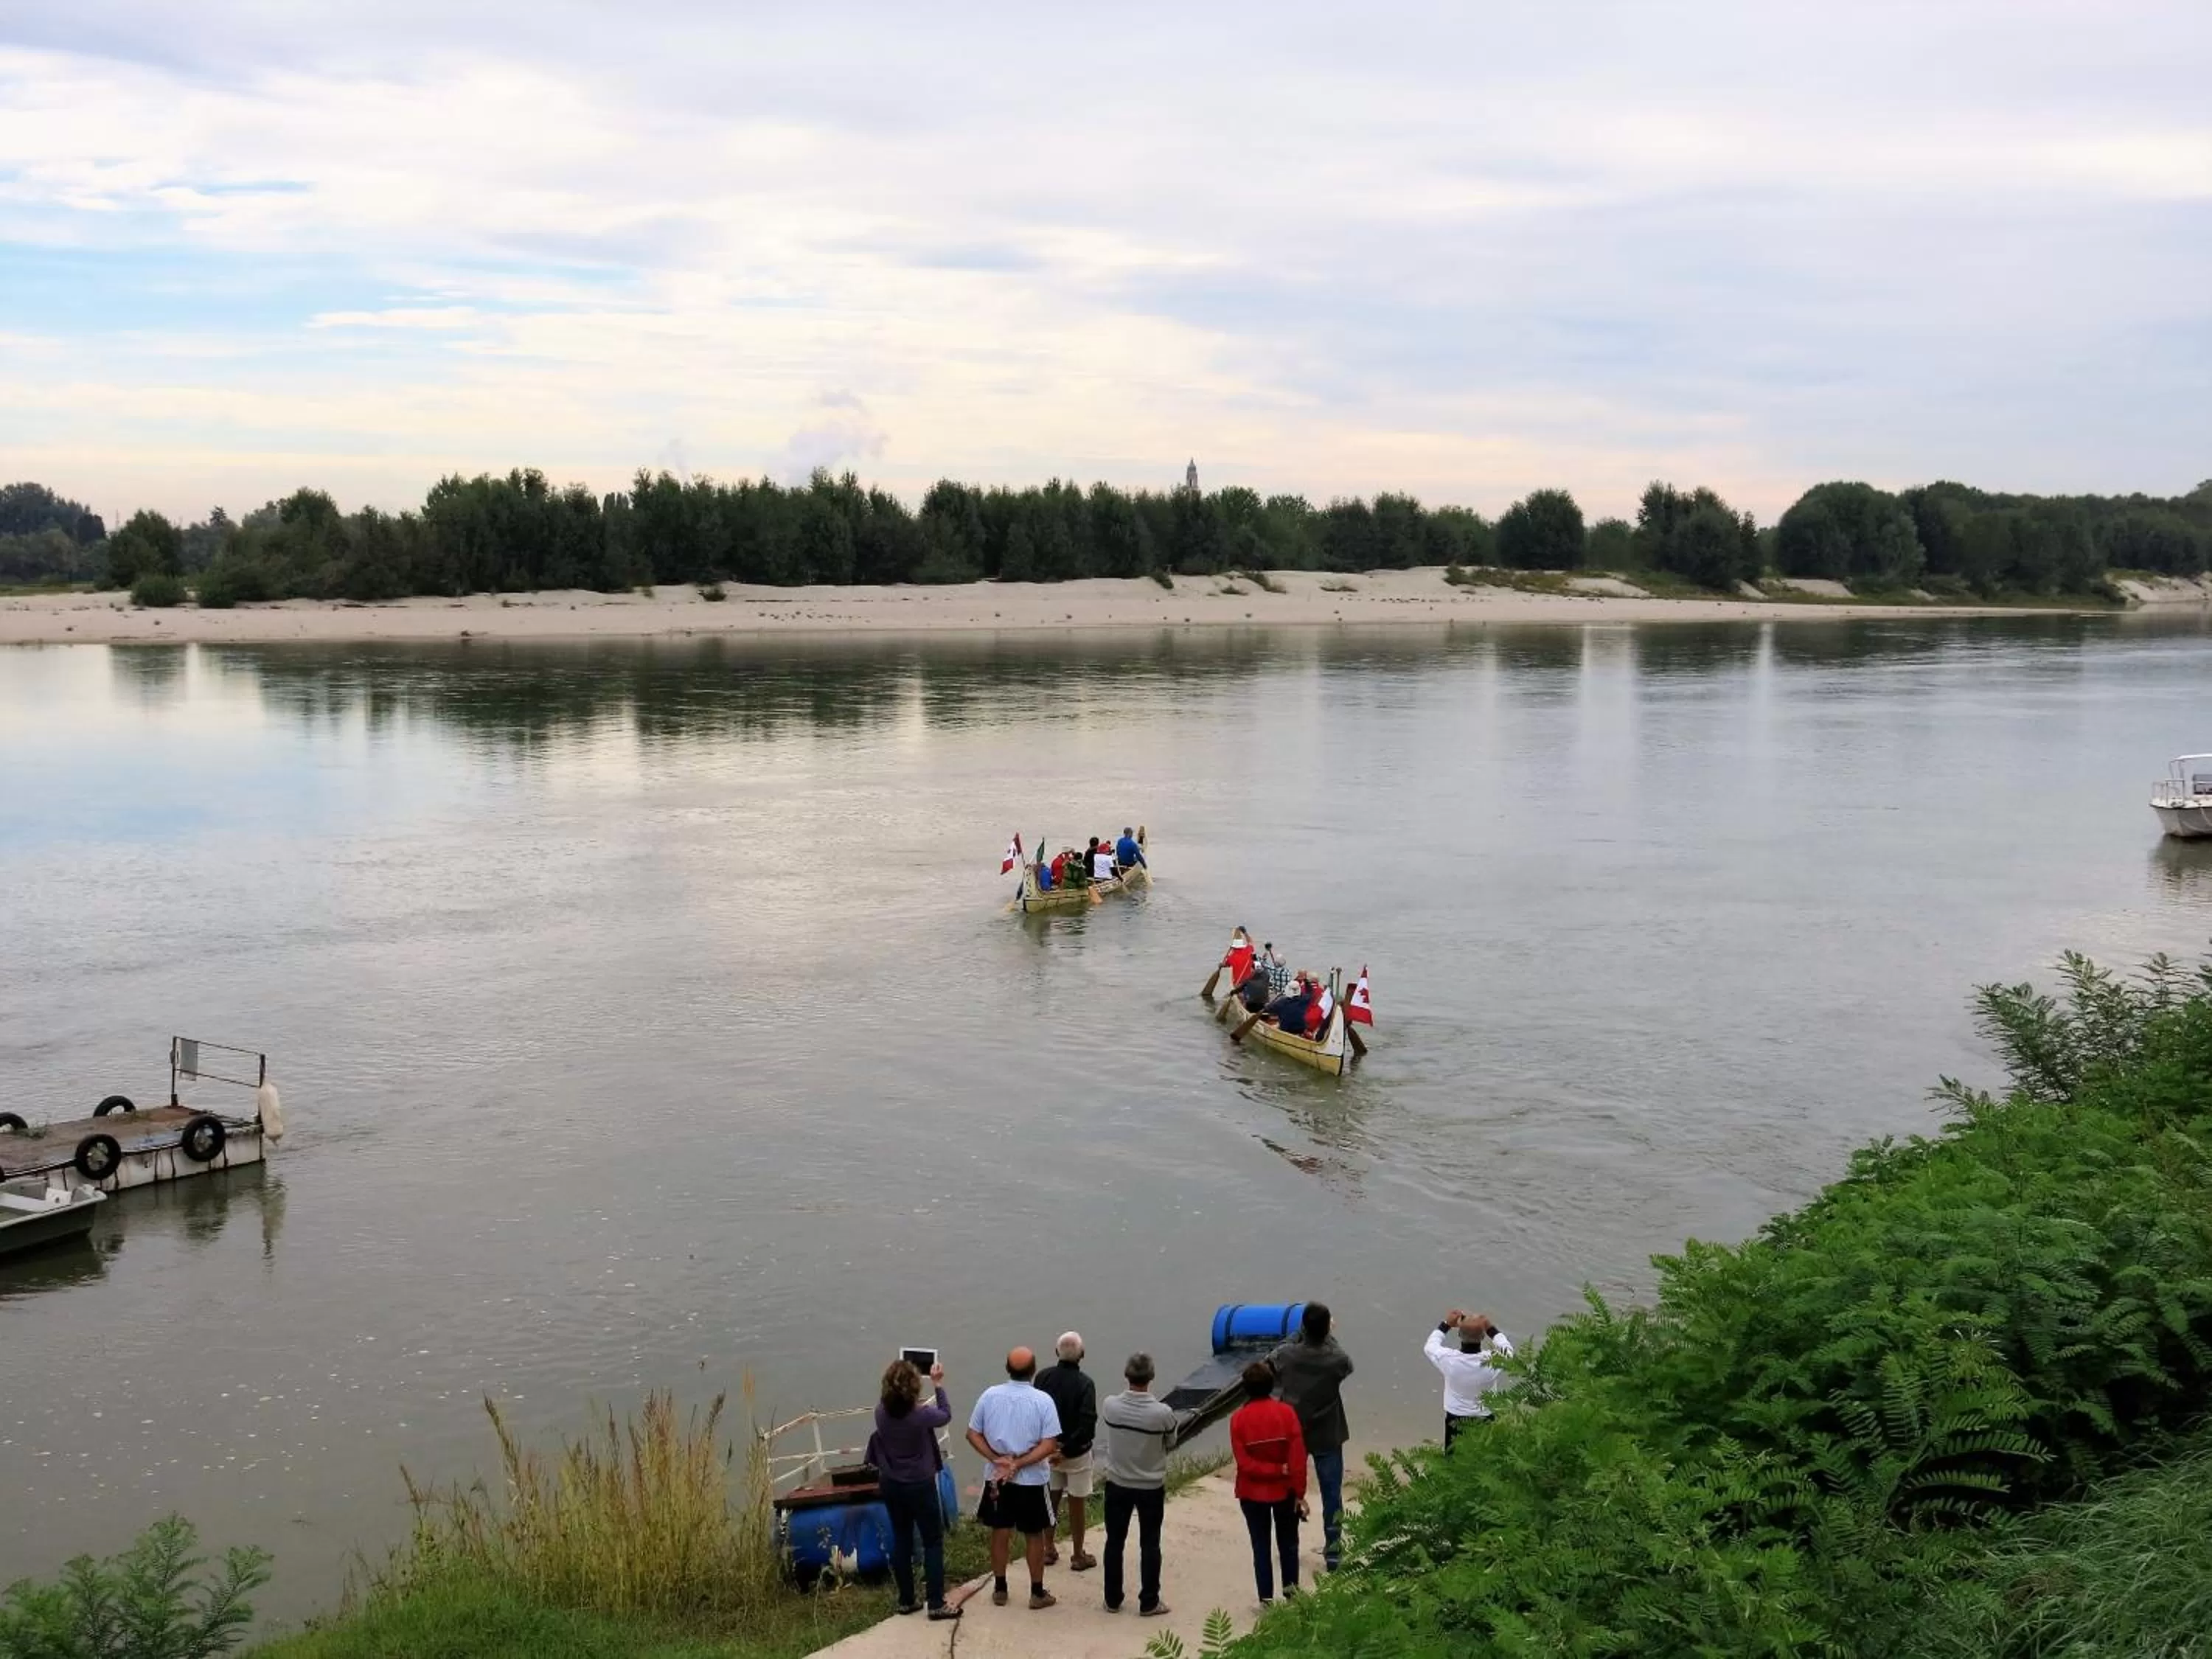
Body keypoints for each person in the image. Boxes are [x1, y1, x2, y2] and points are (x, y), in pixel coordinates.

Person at [966, 1347, 1062, 1609]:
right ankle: (1037, 1592)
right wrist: (1019, 1463)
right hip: (1032, 1480)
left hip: (997, 1478)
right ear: (1033, 1371)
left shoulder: (990, 1395)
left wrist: (996, 1458)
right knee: (1034, 1534)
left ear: (1007, 1369)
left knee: (1000, 1531)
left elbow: (972, 1433)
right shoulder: (1043, 1401)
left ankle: (1000, 1588)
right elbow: (1049, 1444)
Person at [866, 1357, 959, 1621]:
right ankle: (936, 1603)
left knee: (902, 1538)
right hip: (919, 1484)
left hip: (892, 1483)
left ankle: (907, 1600)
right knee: (932, 1541)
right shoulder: (921, 1415)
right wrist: (938, 1385)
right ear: (914, 1387)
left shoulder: (880, 1412)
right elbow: (945, 1414)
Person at [1269, 1301, 1353, 1570]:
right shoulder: (1336, 1359)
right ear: (1326, 1328)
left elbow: (1270, 1360)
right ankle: (1334, 1553)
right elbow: (1346, 1364)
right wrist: (1328, 1335)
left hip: (1294, 1430)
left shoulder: (1287, 1354)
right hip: (1328, 1431)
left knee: (1290, 1489)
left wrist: (1300, 1334)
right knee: (1331, 1493)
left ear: (1304, 1327)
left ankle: (1289, 1546)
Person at [1098, 1351, 1178, 1617]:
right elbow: (1171, 1442)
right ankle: (1149, 1601)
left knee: (1114, 1542)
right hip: (1150, 1486)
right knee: (1150, 1543)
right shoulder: (1162, 1413)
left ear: (1126, 1375)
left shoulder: (1110, 1406)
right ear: (1151, 1377)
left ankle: (1112, 1599)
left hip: (1117, 1483)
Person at [1230, 1360, 1307, 1604]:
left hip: (1252, 1493)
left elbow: (1245, 1464)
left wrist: (1270, 1470)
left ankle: (1266, 1599)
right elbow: (1298, 1459)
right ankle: (1292, 1594)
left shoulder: (1238, 1420)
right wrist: (1300, 1492)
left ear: (1245, 1389)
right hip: (1285, 1491)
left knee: (1260, 1546)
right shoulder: (1287, 1413)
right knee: (1289, 1544)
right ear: (1272, 1386)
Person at [1036, 1332, 1097, 1573]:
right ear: (1082, 1355)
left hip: (1047, 1452)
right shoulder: (1086, 1384)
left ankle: (1048, 1548)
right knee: (1077, 1502)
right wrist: (1068, 1449)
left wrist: (1050, 1447)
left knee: (1051, 1498)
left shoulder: (1042, 1378)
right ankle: (1078, 1554)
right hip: (1076, 1455)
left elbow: (1037, 1414)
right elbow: (1087, 1425)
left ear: (1055, 1352)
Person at [1426, 1311, 1516, 1449]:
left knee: (1453, 1457)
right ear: (1482, 1337)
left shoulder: (1448, 1360)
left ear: (1460, 1335)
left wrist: (1446, 1325)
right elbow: (1508, 1350)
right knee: (1484, 1456)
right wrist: (1490, 1328)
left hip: (1456, 1417)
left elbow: (1430, 1346)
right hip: (1485, 1417)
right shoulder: (1494, 1361)